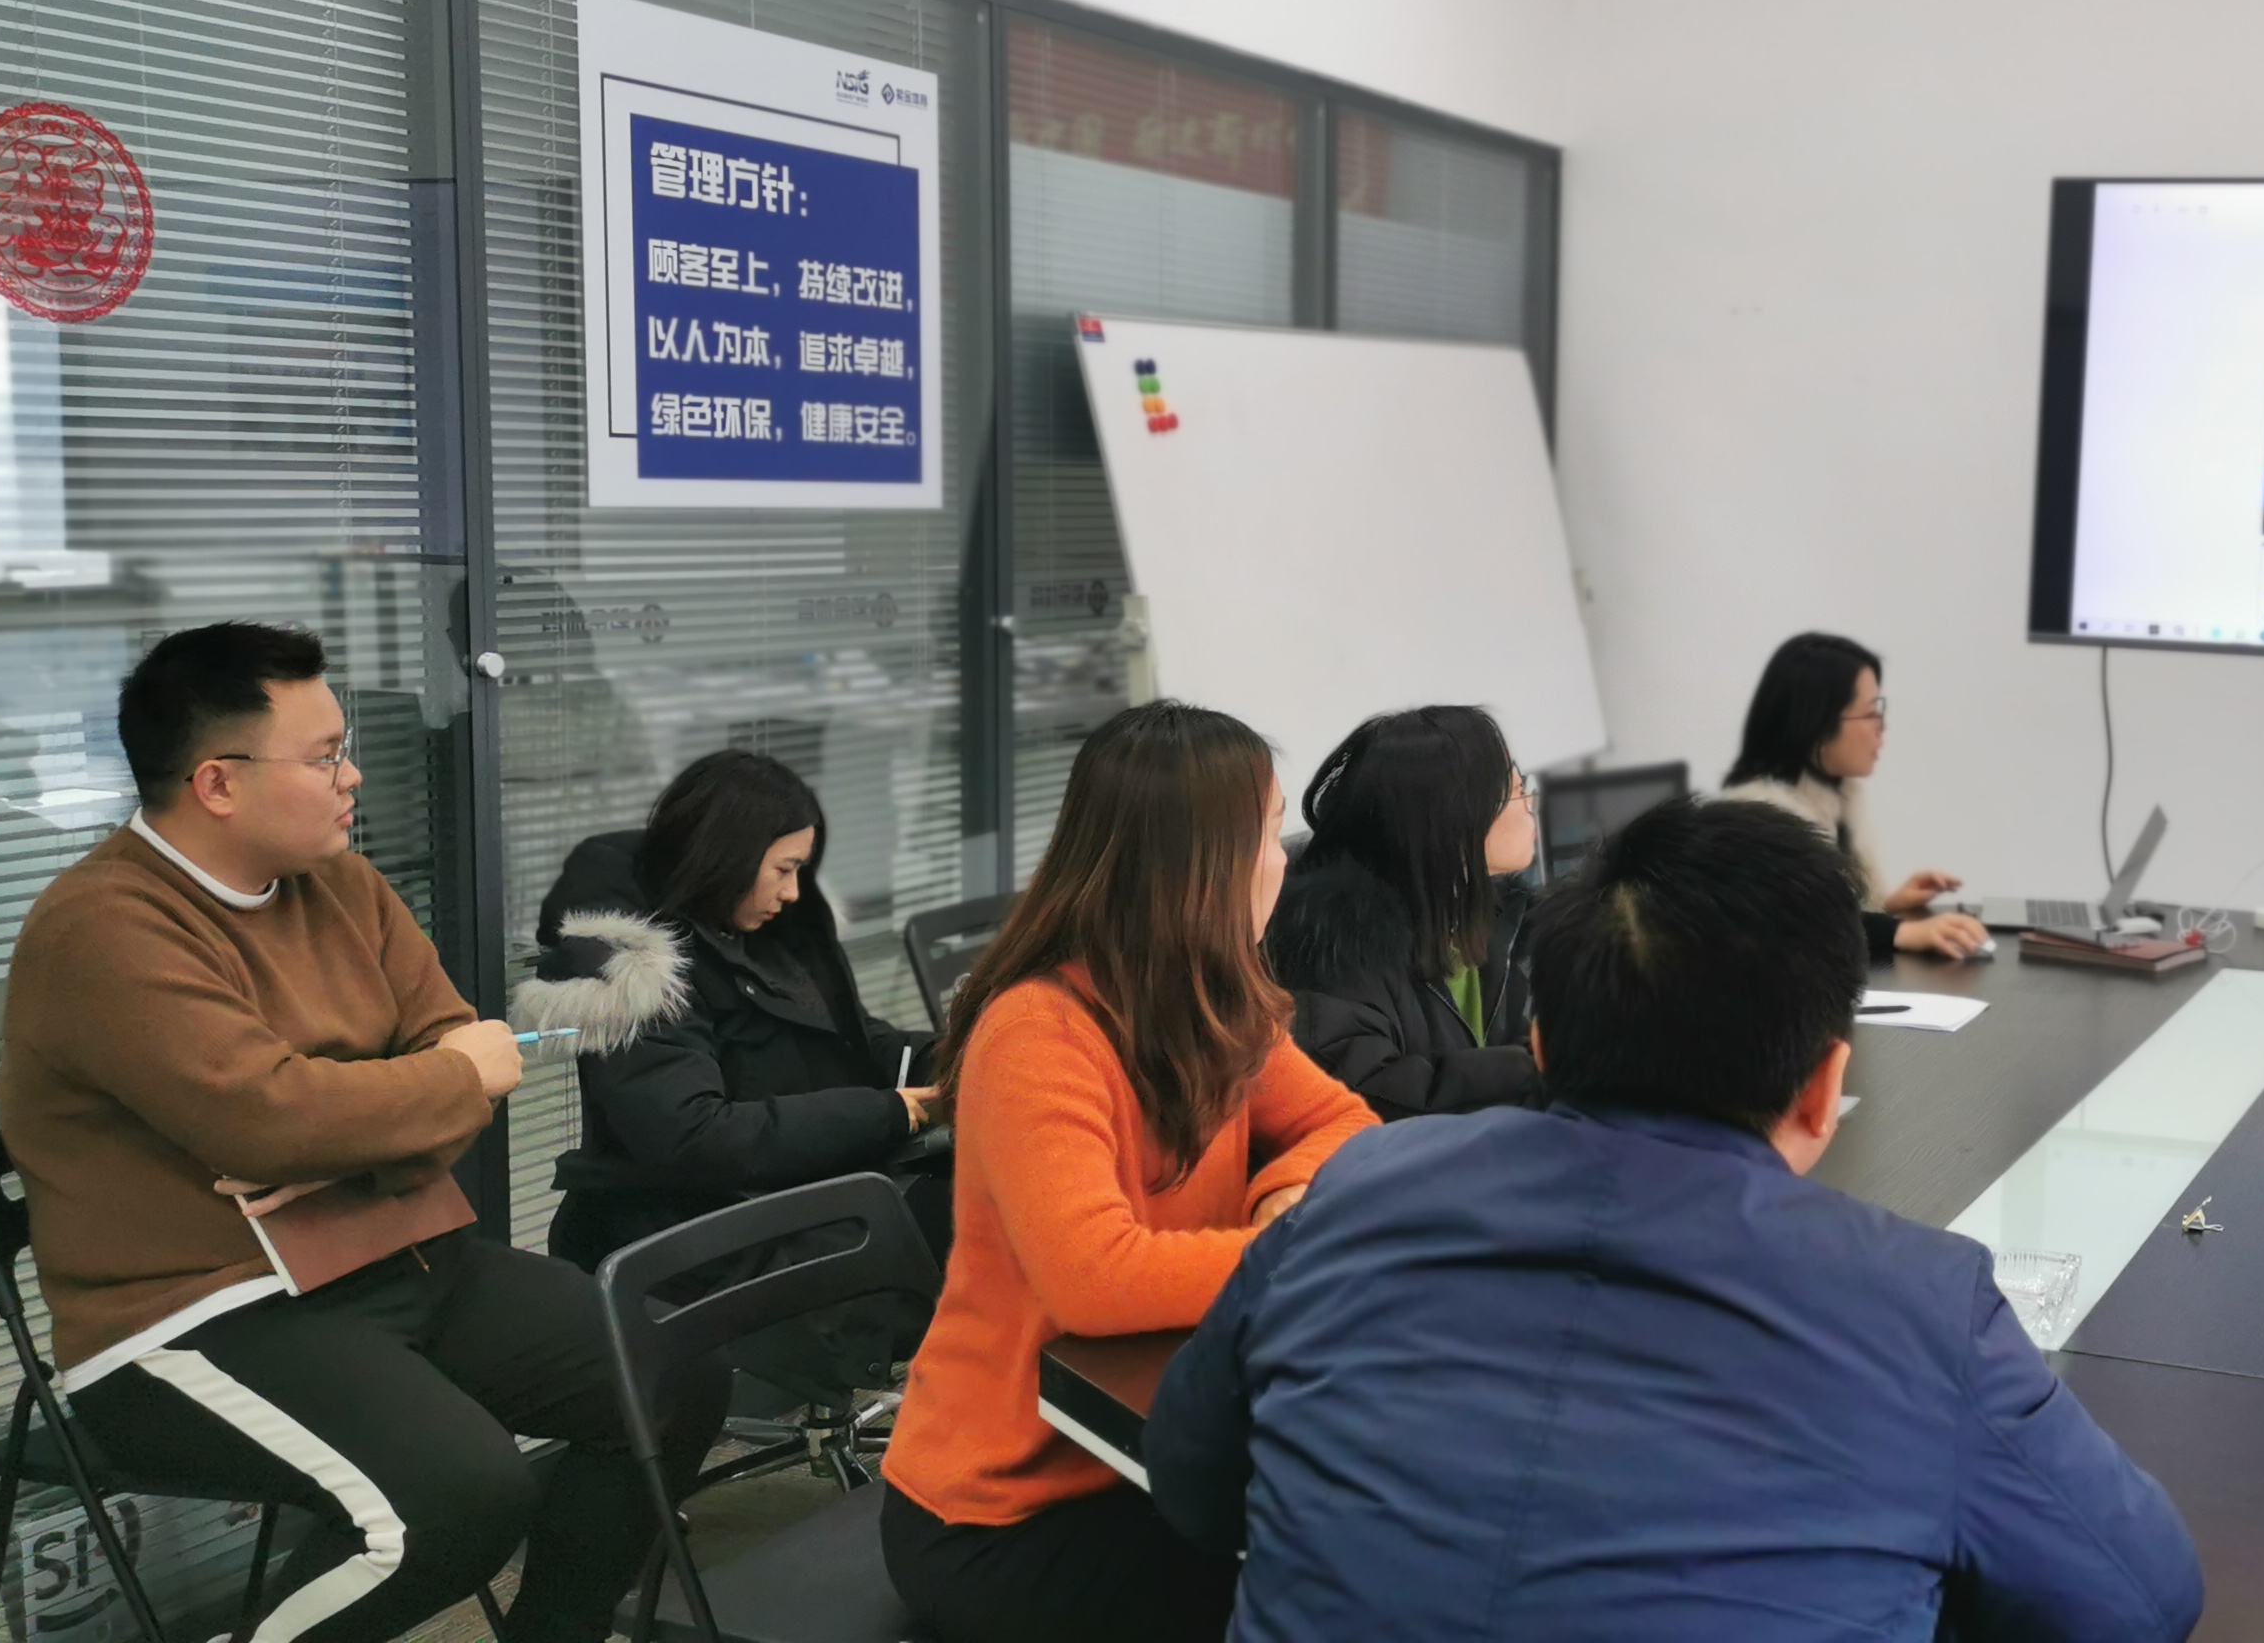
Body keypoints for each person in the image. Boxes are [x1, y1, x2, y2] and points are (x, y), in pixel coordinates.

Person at [1143, 799, 2205, 1639]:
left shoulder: (1356, 1191)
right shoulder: (1921, 1304)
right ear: (1821, 1089)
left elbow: (1191, 1483)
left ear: (1541, 1048)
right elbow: (2137, 1603)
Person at [0, 622, 715, 1643]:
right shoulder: (104, 926)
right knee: (457, 1499)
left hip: (392, 1253)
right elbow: (278, 1118)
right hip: (199, 1317)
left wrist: (352, 1134)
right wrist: (378, 1109)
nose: (354, 776)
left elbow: (467, 1056)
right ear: (217, 783)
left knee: (673, 1372)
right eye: (325, 755)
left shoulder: (341, 882)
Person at [878, 700, 1379, 1643]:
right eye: (1269, 834)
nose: (1283, 860)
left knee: (1349, 1547)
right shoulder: (1039, 1033)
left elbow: (1344, 1121)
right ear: (1202, 863)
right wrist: (1289, 1248)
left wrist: (1276, 1200)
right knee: (1330, 1582)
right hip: (1004, 1512)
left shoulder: (1212, 997)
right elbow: (1095, 1279)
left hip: (1145, 1453)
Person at [519, 750, 943, 1275]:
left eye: (800, 870)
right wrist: (885, 1113)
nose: (792, 892)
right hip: (685, 1237)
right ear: (728, 859)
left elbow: (846, 1037)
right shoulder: (636, 971)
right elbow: (692, 1137)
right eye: (783, 870)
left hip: (780, 1197)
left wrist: (942, 1060)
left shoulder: (755, 927)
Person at [1262, 705, 1542, 1118]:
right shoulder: (1334, 945)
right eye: (1516, 790)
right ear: (1455, 819)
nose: (1530, 803)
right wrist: (1536, 1067)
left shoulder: (1506, 915)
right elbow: (1372, 1092)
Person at [1719, 632, 1990, 960]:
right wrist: (1902, 931)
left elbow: (1827, 909)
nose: (1882, 728)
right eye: (1871, 712)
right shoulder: (1759, 818)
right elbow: (1799, 927)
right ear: (1817, 724)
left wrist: (1890, 904)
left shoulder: (1839, 798)